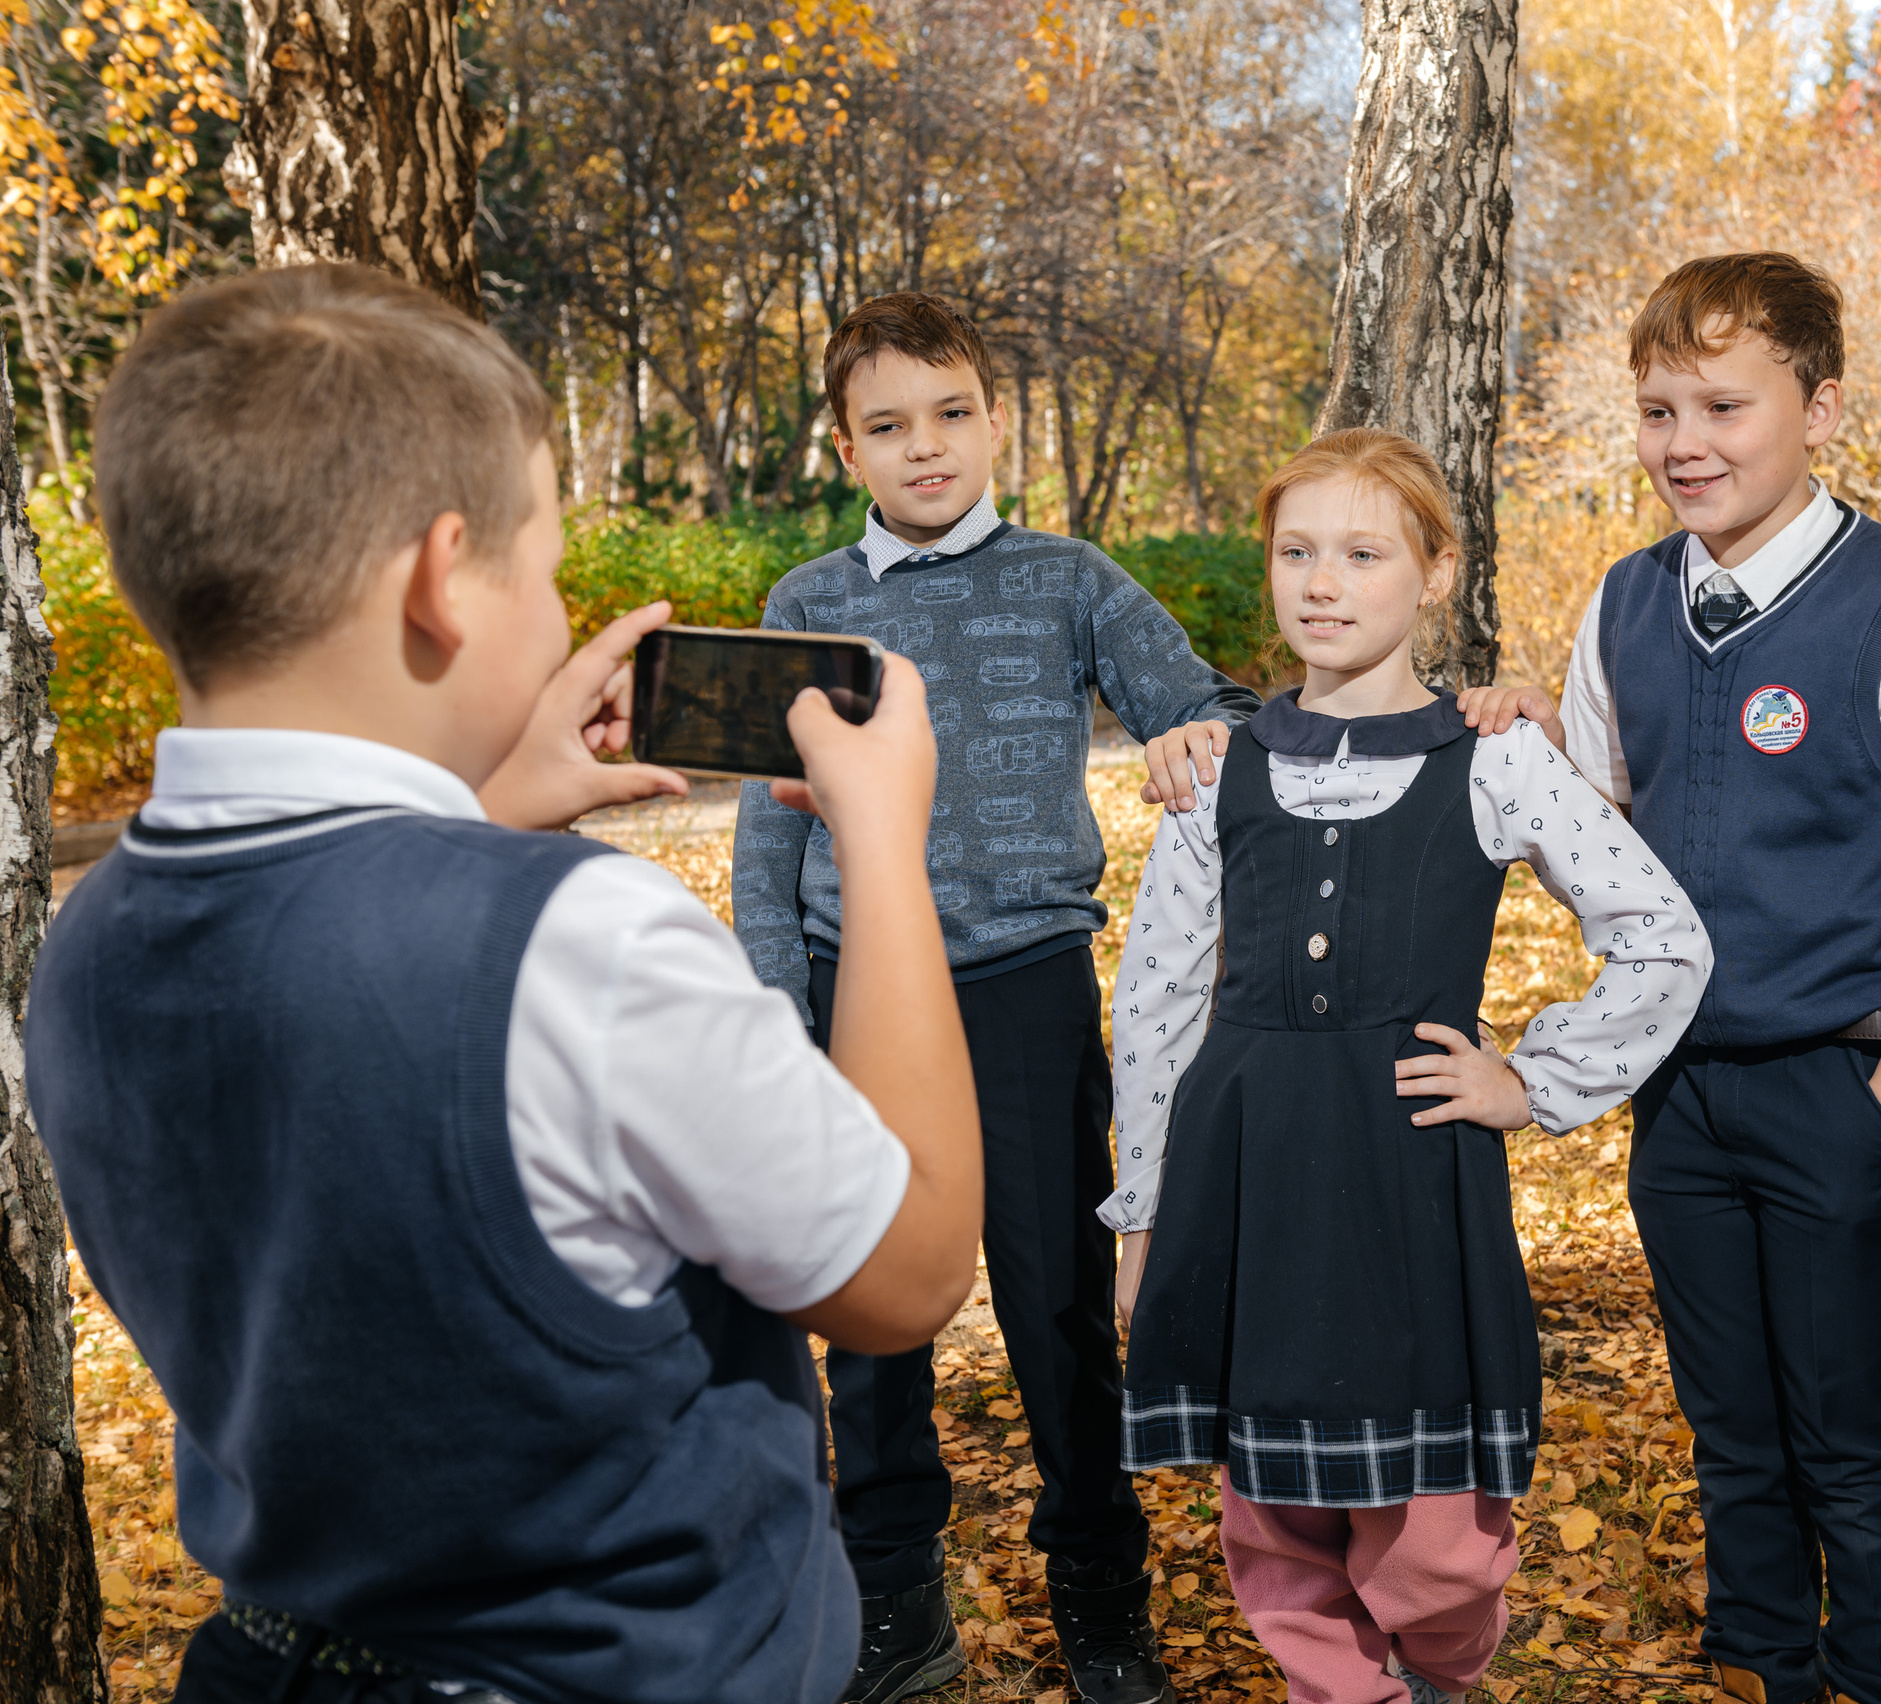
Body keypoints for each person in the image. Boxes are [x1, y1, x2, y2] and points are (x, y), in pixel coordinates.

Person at [27, 264, 984, 1704]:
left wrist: (483, 809)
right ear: (440, 578)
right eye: (541, 570)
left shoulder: (90, 945)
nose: (558, 617)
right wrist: (883, 844)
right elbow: (906, 1275)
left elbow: (338, 1006)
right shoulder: (581, 941)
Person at [1110, 428, 1712, 1704]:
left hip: (1411, 1175)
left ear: (1435, 572)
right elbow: (1155, 1002)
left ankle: (1438, 1674)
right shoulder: (1217, 770)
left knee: (1436, 1540)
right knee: (1275, 1518)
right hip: (1246, 1173)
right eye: (1296, 553)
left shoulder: (1495, 756)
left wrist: (1531, 1081)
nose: (1322, 584)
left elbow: (1663, 937)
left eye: (1363, 554)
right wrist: (1144, 1214)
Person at [731, 291, 1261, 1704]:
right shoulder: (809, 605)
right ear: (846, 449)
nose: (926, 447)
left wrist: (1199, 734)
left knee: (1059, 1308)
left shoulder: (1068, 578)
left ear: (993, 423)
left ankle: (1101, 1594)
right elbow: (769, 839)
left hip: (1026, 987)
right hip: (856, 989)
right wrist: (778, 1007)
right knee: (870, 1320)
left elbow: (1213, 710)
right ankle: (896, 1603)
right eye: (889, 425)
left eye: (952, 414)